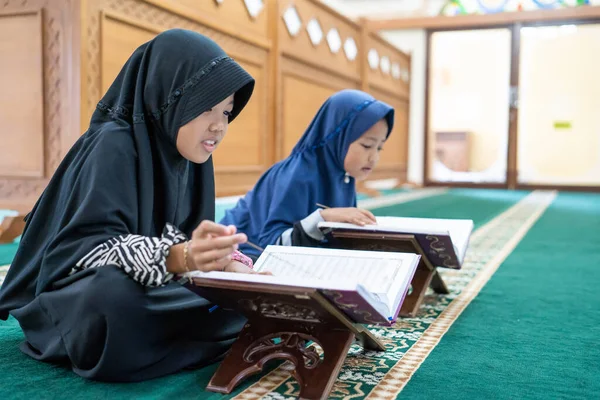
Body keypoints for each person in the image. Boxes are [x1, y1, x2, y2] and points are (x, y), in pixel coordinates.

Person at [0, 29, 258, 382]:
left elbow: (187, 248)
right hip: (80, 295)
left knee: (243, 293)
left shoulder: (192, 159)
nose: (218, 125)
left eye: (227, 112)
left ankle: (185, 335)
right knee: (114, 298)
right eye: (206, 107)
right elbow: (86, 250)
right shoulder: (114, 145)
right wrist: (180, 258)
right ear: (168, 95)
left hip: (160, 289)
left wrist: (227, 264)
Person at [220, 89, 394, 260]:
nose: (374, 157)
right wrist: (322, 218)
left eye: (379, 148)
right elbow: (271, 245)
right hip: (239, 250)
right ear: (338, 137)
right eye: (367, 146)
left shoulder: (343, 176)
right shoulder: (299, 174)